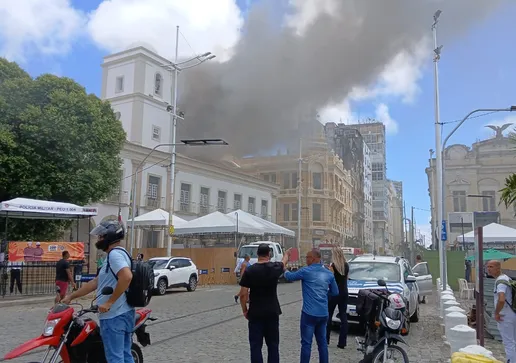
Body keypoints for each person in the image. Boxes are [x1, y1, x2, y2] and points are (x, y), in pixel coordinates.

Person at [62, 220, 134, 363]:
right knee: (125, 355)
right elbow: (95, 282)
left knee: (115, 358)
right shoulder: (118, 254)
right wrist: (71, 296)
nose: (99, 239)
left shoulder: (115, 255)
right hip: (124, 313)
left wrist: (109, 302)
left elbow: (126, 276)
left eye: (101, 236)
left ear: (110, 236)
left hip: (114, 315)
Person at [284, 249, 339, 363]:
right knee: (322, 343)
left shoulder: (306, 271)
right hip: (323, 313)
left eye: (307, 257)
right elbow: (335, 292)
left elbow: (290, 277)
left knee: (306, 343)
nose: (306, 260)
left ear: (313, 258)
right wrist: (324, 295)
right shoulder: (329, 273)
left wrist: (284, 268)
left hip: (309, 313)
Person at [238, 243, 289, 363]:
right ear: (269, 254)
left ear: (257, 254)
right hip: (272, 311)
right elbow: (284, 262)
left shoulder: (250, 270)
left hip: (255, 313)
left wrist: (245, 310)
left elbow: (243, 294)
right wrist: (287, 254)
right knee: (273, 345)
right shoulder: (275, 267)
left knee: (255, 346)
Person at [487, 260, 516, 363]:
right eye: (488, 267)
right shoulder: (506, 278)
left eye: (491, 267)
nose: (488, 269)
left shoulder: (500, 282)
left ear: (498, 268)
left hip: (505, 315)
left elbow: (501, 299)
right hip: (512, 313)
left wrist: (497, 313)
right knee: (513, 341)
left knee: (509, 342)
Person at [326, 248, 349, 349]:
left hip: (334, 292)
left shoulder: (333, 266)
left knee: (329, 315)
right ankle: (342, 342)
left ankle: (326, 339)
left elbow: (330, 279)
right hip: (344, 292)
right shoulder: (346, 265)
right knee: (343, 316)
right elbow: (346, 278)